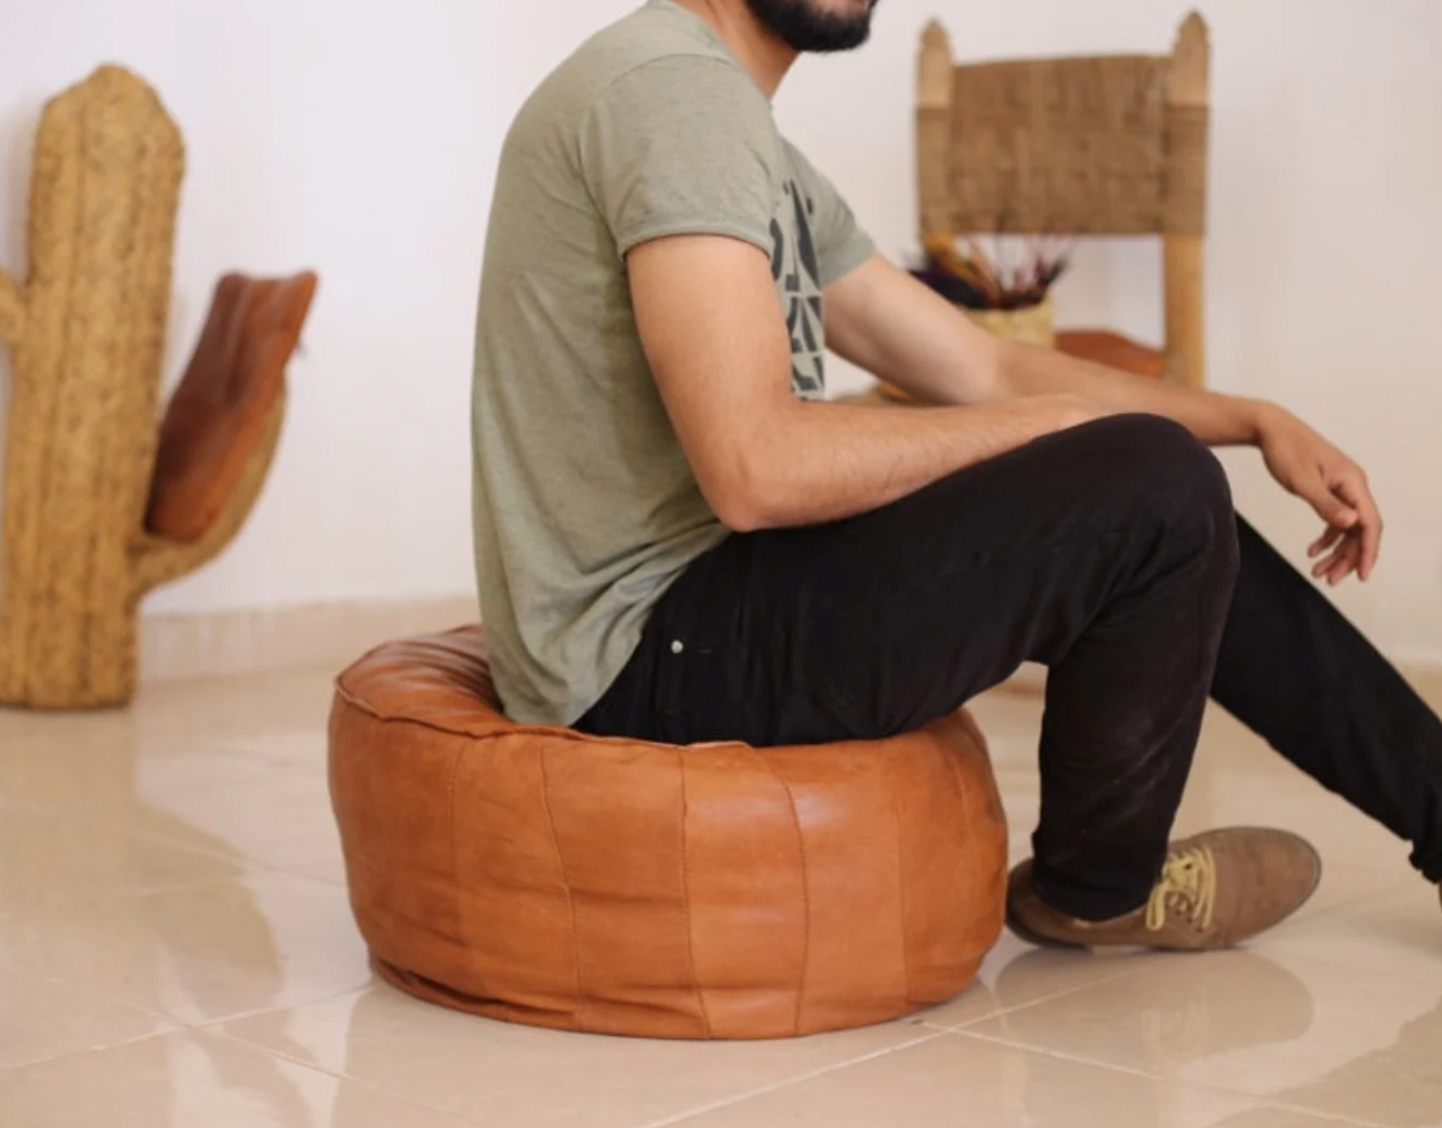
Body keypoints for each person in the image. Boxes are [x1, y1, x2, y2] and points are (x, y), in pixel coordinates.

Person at [470, 0, 1442, 950]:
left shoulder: (739, 138)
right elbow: (754, 470)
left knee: (1160, 476)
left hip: (710, 600)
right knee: (1152, 485)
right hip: (645, 655)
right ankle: (1096, 891)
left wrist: (1250, 419)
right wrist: (1047, 431)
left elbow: (983, 367)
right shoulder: (672, 95)